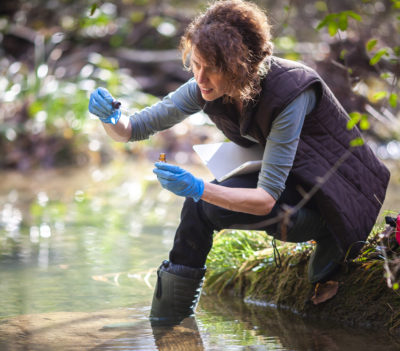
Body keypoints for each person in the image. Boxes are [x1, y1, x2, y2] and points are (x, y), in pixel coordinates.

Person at [89, 0, 390, 325]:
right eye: (196, 64)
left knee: (200, 204)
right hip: (296, 182)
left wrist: (197, 187)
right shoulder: (206, 85)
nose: (200, 78)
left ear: (240, 66)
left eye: (211, 69)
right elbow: (132, 130)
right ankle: (167, 325)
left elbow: (264, 201)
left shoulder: (293, 91)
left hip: (332, 207)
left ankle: (170, 325)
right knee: (197, 207)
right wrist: (111, 117)